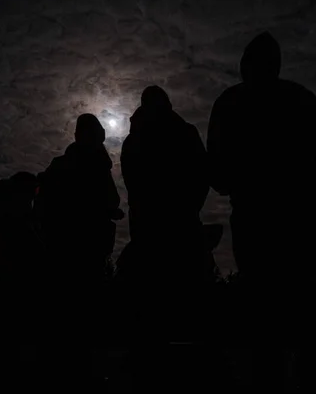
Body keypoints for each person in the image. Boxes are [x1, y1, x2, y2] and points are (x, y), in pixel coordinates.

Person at [207, 32, 316, 282]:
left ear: (245, 65)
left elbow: (218, 175)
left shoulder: (229, 102)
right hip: (300, 220)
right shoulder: (303, 98)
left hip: (252, 219)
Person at [120, 86, 209, 285]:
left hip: (165, 224)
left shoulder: (135, 140)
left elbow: (202, 175)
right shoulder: (184, 132)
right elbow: (202, 175)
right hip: (166, 225)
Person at [35, 114, 123, 285]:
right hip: (69, 247)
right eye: (92, 135)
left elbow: (110, 200)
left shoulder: (98, 167)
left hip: (89, 247)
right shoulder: (67, 166)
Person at [0, 172, 44, 305]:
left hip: (3, 268)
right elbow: (28, 239)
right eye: (34, 190)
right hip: (13, 272)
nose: (35, 195)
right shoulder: (16, 209)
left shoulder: (5, 206)